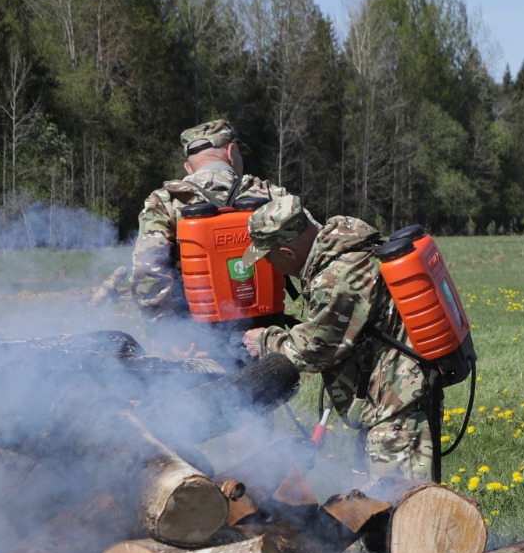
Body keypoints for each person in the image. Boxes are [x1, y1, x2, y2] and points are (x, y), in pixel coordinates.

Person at [239, 194, 434, 482]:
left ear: (287, 253)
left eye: (269, 258)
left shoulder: (337, 278)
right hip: (387, 404)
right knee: (377, 504)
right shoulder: (341, 250)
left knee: (404, 507)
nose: (271, 267)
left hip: (396, 410)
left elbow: (315, 348)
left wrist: (264, 341)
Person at [129, 119, 293, 358]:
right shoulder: (272, 195)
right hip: (265, 335)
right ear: (231, 151)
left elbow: (147, 273)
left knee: (210, 395)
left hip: (197, 341)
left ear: (188, 167)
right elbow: (316, 251)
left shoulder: (165, 202)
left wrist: (168, 336)